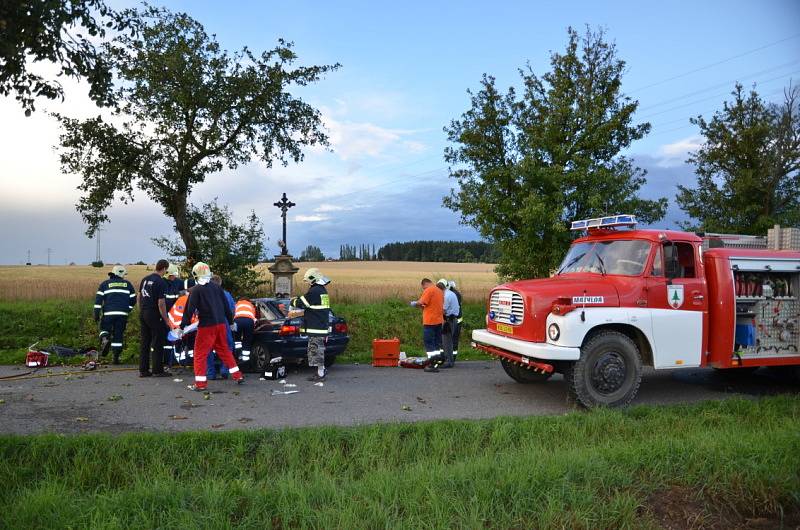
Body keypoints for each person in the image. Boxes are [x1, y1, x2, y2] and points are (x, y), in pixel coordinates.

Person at [180, 262, 243, 391]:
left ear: (196, 275)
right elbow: (226, 307)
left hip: (206, 326)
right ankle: (237, 375)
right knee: (224, 350)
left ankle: (200, 384)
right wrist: (230, 323)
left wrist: (182, 327)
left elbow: (189, 310)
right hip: (221, 324)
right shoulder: (217, 287)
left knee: (200, 354)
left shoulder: (196, 290)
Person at [291, 267, 331, 382]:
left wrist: (292, 301)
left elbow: (302, 302)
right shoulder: (322, 290)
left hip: (316, 328)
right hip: (321, 326)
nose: (307, 283)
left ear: (313, 279)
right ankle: (321, 370)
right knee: (317, 350)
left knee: (316, 350)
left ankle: (320, 374)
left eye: (308, 280)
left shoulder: (315, 291)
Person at [94, 265, 136, 364]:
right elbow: (133, 300)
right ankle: (115, 358)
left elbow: (98, 300)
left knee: (104, 329)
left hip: (108, 313)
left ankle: (105, 339)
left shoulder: (104, 284)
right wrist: (127, 310)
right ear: (121, 274)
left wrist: (96, 313)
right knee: (118, 335)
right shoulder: (128, 284)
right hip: (122, 314)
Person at [138, 259, 171, 377]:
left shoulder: (145, 279)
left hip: (143, 312)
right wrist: (166, 318)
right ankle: (157, 370)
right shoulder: (160, 282)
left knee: (145, 342)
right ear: (164, 269)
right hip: (154, 314)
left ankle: (143, 370)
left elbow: (139, 296)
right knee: (157, 341)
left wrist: (141, 309)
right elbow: (161, 303)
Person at [410, 278, 444, 372]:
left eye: (423, 288)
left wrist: (414, 303)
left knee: (429, 344)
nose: (423, 289)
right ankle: (437, 363)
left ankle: (432, 365)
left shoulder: (429, 290)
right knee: (436, 344)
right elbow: (432, 305)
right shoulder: (439, 291)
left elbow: (421, 302)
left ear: (424, 284)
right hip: (438, 321)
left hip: (430, 321)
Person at [206, 275, 234, 380]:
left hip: (208, 324)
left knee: (208, 348)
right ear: (220, 283)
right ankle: (224, 369)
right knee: (227, 346)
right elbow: (231, 310)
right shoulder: (226, 294)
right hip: (223, 323)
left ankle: (210, 373)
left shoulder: (205, 294)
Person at [167, 288, 197, 365]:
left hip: (178, 329)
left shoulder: (181, 300)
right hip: (185, 329)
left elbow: (171, 315)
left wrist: (176, 328)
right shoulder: (195, 299)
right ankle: (189, 360)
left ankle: (180, 360)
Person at [162, 263, 183, 366]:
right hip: (164, 316)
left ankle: (172, 360)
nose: (174, 277)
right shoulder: (161, 283)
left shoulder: (178, 283)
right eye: (173, 275)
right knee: (165, 340)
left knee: (173, 339)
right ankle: (166, 361)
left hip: (175, 317)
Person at [437, 278, 460, 368]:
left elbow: (443, 310)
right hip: (452, 319)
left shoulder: (446, 296)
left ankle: (449, 362)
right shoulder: (451, 293)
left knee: (447, 342)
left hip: (448, 320)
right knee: (448, 341)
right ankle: (448, 360)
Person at [233, 298, 257, 365]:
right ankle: (245, 360)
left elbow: (232, 313)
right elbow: (254, 316)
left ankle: (237, 356)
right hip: (249, 321)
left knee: (237, 340)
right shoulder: (251, 305)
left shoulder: (237, 304)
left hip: (237, 321)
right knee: (247, 340)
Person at [448, 280, 463, 361]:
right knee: (454, 339)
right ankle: (452, 357)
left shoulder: (452, 294)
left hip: (454, 321)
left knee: (452, 339)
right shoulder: (456, 293)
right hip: (457, 320)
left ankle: (451, 358)